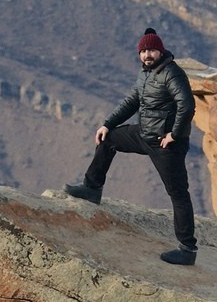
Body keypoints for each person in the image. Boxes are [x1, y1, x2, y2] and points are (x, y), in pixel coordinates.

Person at [65, 27, 198, 265]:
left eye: (152, 50)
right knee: (108, 139)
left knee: (178, 193)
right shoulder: (145, 74)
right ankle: (92, 188)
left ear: (160, 51)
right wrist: (107, 124)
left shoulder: (172, 73)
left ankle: (187, 249)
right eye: (143, 51)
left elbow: (186, 105)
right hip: (143, 134)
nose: (147, 55)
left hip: (165, 144)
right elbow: (131, 101)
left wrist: (174, 135)